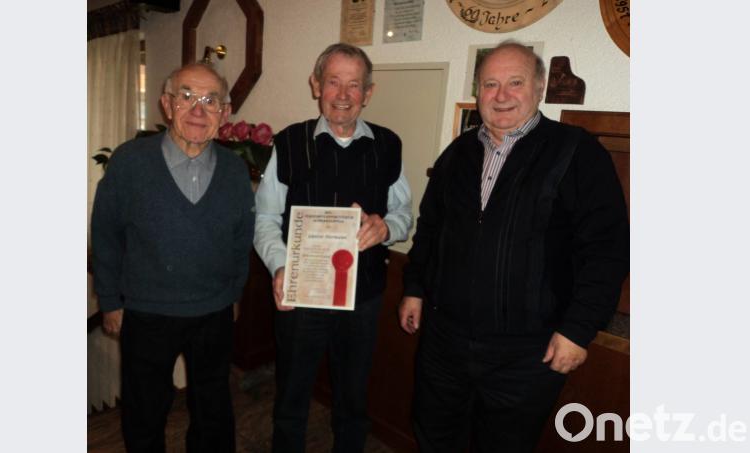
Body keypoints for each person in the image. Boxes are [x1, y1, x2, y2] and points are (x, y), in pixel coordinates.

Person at [398, 41, 629, 452]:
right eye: (490, 84)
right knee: (434, 434)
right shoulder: (458, 153)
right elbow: (431, 228)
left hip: (527, 353)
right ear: (478, 92)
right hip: (445, 340)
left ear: (539, 87)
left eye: (515, 82)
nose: (501, 95)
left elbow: (607, 249)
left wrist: (578, 329)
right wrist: (415, 287)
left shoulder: (576, 151)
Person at [253, 42, 413, 453]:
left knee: (353, 399)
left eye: (354, 84)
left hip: (364, 297)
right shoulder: (289, 142)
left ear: (368, 92)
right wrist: (280, 267)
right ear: (316, 85)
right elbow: (265, 217)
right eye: (333, 82)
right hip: (300, 294)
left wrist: (386, 228)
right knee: (291, 400)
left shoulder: (388, 145)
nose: (343, 94)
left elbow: (403, 214)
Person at [91, 63, 254, 452]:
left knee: (213, 411)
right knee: (145, 413)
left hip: (213, 312)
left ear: (224, 112)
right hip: (147, 312)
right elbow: (106, 234)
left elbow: (241, 239)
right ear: (167, 104)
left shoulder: (235, 169)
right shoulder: (130, 161)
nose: (198, 109)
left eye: (210, 100)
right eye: (187, 96)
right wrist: (110, 301)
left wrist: (234, 294)